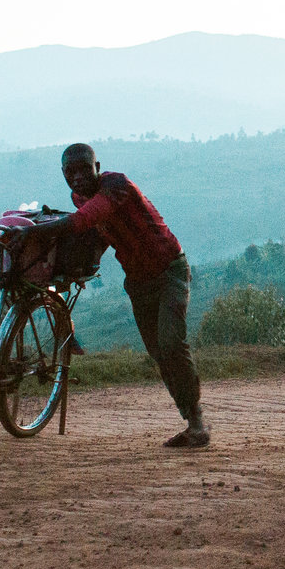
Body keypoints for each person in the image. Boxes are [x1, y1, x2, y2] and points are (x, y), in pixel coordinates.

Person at [26, 143, 208, 448]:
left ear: (98, 167)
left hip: (169, 271)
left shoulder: (116, 185)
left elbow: (84, 220)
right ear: (64, 175)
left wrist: (34, 231)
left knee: (171, 343)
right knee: (160, 353)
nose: (78, 176)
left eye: (85, 168)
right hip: (138, 281)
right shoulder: (79, 198)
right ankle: (192, 421)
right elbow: (97, 235)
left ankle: (198, 422)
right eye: (71, 171)